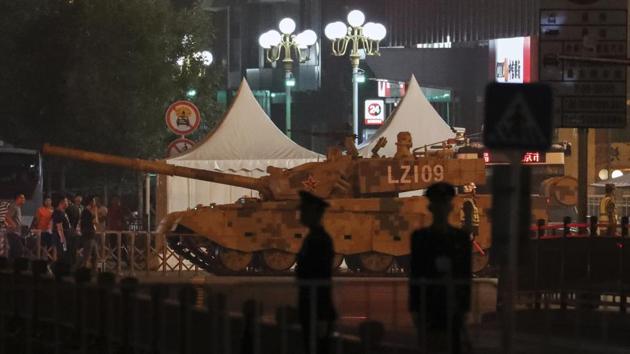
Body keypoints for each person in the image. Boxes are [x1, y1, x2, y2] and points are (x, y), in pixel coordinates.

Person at [409, 182, 471, 354]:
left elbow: (465, 276)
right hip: (430, 304)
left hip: (451, 304)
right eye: (438, 203)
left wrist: (465, 306)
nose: (441, 208)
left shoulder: (460, 239)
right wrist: (415, 308)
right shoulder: (421, 238)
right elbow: (415, 274)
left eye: (443, 203)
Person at [295, 191, 336, 354]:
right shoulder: (312, 238)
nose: (301, 214)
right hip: (311, 306)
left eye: (304, 211)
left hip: (317, 309)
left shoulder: (320, 240)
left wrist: (322, 316)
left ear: (314, 213)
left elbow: (322, 279)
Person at [76, 196, 100, 269]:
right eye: (94, 201)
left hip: (92, 236)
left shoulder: (88, 211)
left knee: (95, 256)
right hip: (88, 236)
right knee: (87, 256)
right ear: (90, 202)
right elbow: (95, 221)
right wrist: (95, 212)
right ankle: (82, 272)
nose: (95, 202)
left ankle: (93, 271)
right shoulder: (86, 211)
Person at [5, 193, 26, 260]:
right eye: (23, 198)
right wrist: (14, 225)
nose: (24, 200)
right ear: (18, 198)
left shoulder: (18, 207)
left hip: (16, 232)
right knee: (20, 250)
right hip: (13, 232)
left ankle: (10, 266)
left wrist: (20, 225)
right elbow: (7, 216)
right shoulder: (14, 206)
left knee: (13, 251)